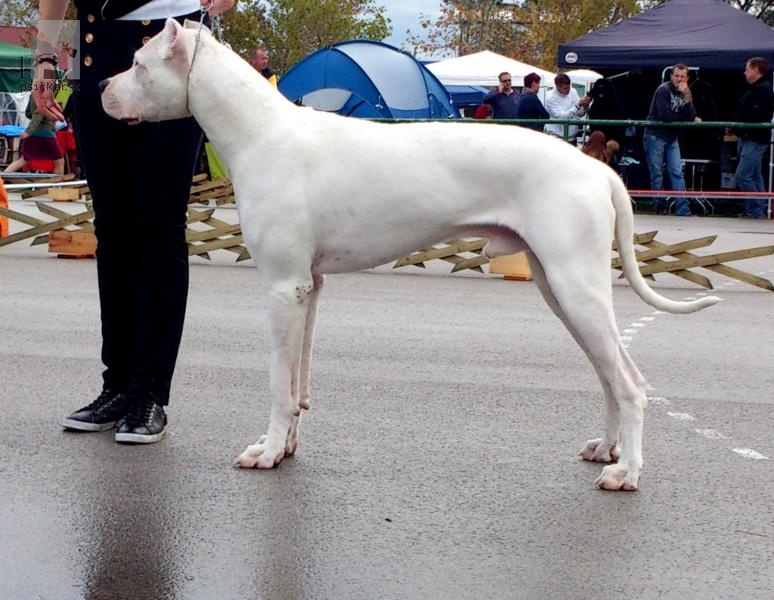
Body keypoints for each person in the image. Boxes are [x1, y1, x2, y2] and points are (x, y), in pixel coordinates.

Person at [35, 0, 235, 443]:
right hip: (96, 44)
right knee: (113, 227)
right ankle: (117, 386)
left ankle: (150, 393)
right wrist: (45, 61)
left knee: (159, 224)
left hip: (167, 45)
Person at [643, 63, 699, 216]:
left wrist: (688, 96)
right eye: (676, 76)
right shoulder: (663, 90)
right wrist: (686, 119)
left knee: (676, 172)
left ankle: (683, 209)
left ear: (687, 78)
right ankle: (659, 207)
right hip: (655, 136)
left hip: (672, 138)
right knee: (657, 173)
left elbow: (691, 115)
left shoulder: (685, 92)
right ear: (671, 76)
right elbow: (664, 116)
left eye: (682, 76)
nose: (679, 79)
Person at [730, 57, 774, 219]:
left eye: (747, 69)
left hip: (754, 138)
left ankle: (755, 210)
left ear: (755, 70)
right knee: (754, 175)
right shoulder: (757, 88)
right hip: (748, 137)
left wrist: (738, 124)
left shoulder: (762, 89)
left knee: (743, 175)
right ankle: (755, 210)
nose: (745, 73)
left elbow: (754, 114)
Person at [2, 95, 65, 176]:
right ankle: (57, 186)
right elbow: (38, 114)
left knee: (23, 160)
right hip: (46, 133)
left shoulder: (33, 94)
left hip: (34, 133)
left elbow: (28, 113)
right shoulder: (45, 93)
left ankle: (2, 178)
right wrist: (28, 132)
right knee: (59, 162)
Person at [544, 73, 590, 142]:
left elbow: (580, 114)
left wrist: (585, 106)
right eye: (565, 88)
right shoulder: (550, 97)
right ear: (557, 86)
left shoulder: (573, 91)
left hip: (572, 138)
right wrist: (578, 105)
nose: (568, 90)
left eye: (569, 87)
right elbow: (562, 118)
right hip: (556, 139)